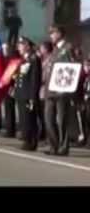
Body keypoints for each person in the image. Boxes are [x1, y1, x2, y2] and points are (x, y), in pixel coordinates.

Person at [44, 25, 74, 156]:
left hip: (62, 90)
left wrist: (66, 89)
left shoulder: (68, 48)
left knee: (61, 120)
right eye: (50, 33)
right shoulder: (55, 50)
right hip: (50, 90)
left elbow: (72, 68)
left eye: (53, 33)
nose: (51, 36)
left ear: (60, 34)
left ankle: (63, 146)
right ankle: (53, 145)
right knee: (48, 118)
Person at [15, 37, 42, 151]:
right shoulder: (23, 59)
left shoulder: (34, 59)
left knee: (29, 119)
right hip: (21, 93)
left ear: (27, 46)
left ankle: (31, 141)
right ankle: (26, 139)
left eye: (21, 45)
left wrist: (32, 96)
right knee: (23, 118)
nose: (19, 47)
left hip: (28, 94)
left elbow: (34, 79)